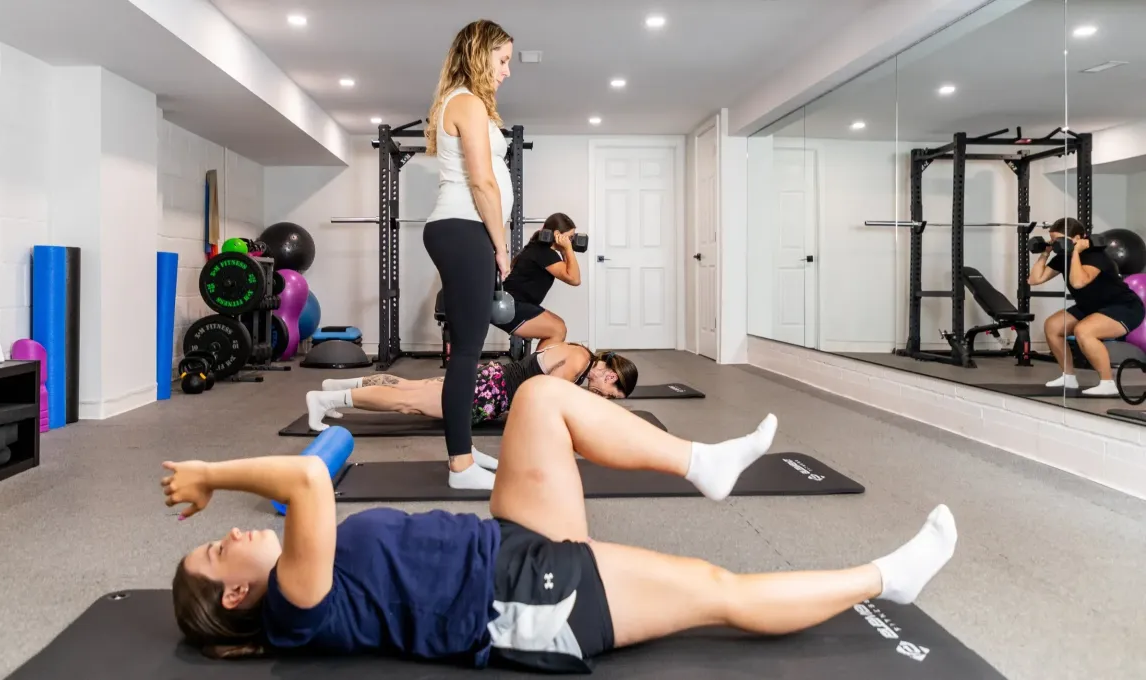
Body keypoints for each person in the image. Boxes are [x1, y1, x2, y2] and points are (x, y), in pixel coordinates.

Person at [167, 376, 958, 672]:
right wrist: (208, 473)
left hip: (504, 541)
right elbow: (308, 476)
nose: (228, 534)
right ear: (235, 595)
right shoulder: (294, 607)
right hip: (523, 597)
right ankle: (890, 579)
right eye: (216, 550)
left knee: (539, 399)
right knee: (723, 589)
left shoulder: (299, 572)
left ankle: (699, 463)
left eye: (217, 532)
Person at [304, 345, 639, 489]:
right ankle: (325, 399)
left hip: (490, 381)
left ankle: (338, 387)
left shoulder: (581, 356)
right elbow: (549, 398)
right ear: (611, 377)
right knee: (407, 403)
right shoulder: (579, 363)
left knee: (409, 389)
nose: (603, 398)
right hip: (489, 390)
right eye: (611, 395)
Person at [421, 19, 515, 489]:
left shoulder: (461, 103)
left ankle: (465, 447)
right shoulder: (467, 102)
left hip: (461, 229)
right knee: (467, 353)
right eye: (502, 61)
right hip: (465, 228)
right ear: (480, 54)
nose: (507, 72)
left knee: (468, 350)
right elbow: (482, 181)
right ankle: (459, 465)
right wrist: (502, 246)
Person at [1029, 217, 1146, 395]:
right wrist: (1045, 253)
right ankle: (1068, 378)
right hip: (1092, 306)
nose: (1055, 244)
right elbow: (1035, 279)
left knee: (1085, 331)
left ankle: (1107, 383)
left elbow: (1078, 282)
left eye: (1058, 240)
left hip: (1123, 307)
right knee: (1053, 326)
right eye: (1053, 240)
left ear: (1077, 238)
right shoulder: (1063, 257)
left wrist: (1076, 253)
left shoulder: (1095, 256)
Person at [496, 213, 583, 350]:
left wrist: (566, 250)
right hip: (511, 306)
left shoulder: (542, 250)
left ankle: (534, 367)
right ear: (557, 234)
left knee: (560, 325)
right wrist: (567, 249)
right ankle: (533, 368)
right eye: (570, 237)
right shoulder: (544, 253)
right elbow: (574, 279)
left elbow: (571, 275)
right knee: (558, 329)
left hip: (515, 303)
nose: (571, 241)